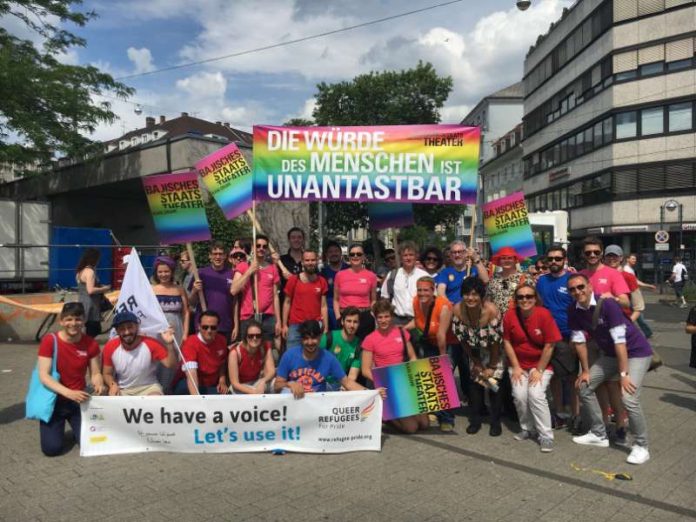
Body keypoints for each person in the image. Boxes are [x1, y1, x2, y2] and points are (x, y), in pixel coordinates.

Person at [568, 274, 653, 465]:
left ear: (590, 286)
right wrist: (586, 370)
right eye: (572, 289)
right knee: (584, 386)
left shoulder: (607, 304)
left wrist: (624, 375)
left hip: (636, 352)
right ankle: (599, 433)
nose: (577, 292)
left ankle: (641, 445)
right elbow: (579, 342)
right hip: (611, 354)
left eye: (580, 287)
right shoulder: (573, 310)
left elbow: (620, 342)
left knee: (629, 396)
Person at [36, 302, 104, 456]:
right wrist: (68, 392)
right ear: (61, 321)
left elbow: (95, 373)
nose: (73, 323)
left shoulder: (90, 343)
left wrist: (98, 382)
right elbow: (44, 375)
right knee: (52, 449)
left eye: (78, 319)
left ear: (84, 320)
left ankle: (77, 428)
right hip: (53, 402)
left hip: (78, 401)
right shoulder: (49, 340)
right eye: (69, 319)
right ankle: (57, 428)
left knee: (91, 444)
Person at [503, 283, 561, 453]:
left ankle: (546, 435)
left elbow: (550, 344)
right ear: (516, 299)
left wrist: (539, 369)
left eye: (529, 296)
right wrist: (515, 367)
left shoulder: (544, 314)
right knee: (520, 396)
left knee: (535, 395)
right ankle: (528, 428)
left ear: (535, 298)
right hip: (519, 364)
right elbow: (506, 341)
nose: (525, 300)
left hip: (541, 364)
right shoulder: (510, 315)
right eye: (520, 297)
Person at [361, 299, 429, 434]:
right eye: (380, 317)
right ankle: (386, 418)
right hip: (387, 386)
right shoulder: (370, 339)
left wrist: (414, 373)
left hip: (404, 382)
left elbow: (413, 357)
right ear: (375, 317)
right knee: (412, 428)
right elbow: (365, 370)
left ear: (392, 316)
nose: (383, 320)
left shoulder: (402, 333)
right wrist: (381, 381)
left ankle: (396, 413)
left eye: (386, 316)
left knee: (424, 424)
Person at [535, 245, 580, 432]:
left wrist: (575, 336)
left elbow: (579, 308)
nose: (554, 262)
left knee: (572, 377)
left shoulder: (572, 279)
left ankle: (576, 415)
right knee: (554, 377)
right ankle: (560, 413)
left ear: (564, 260)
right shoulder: (541, 281)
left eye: (558, 259)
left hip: (568, 335)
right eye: (551, 259)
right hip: (548, 337)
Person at [452, 277, 503, 436]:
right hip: (474, 349)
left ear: (481, 296)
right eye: (467, 294)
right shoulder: (458, 310)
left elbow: (496, 342)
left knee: (493, 384)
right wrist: (477, 363)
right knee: (475, 383)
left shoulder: (491, 311)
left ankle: (496, 422)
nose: (470, 298)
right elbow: (462, 340)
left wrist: (492, 366)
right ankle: (475, 420)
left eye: (475, 294)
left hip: (494, 350)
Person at [274, 320, 373, 396]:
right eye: (306, 338)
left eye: (313, 338)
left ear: (320, 337)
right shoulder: (289, 355)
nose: (310, 342)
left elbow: (347, 383)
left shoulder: (328, 358)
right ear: (301, 340)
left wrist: (371, 393)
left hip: (319, 401)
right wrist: (290, 384)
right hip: (296, 399)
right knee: (285, 392)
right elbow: (277, 385)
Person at [409, 276, 457, 431]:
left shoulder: (444, 306)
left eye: (426, 290)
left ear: (433, 290)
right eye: (419, 290)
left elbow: (441, 335)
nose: (422, 293)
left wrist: (443, 359)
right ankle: (435, 410)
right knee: (429, 378)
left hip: (445, 344)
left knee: (443, 377)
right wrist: (400, 330)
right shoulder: (416, 301)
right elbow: (417, 322)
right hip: (428, 341)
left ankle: (447, 419)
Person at [102, 312, 177, 396]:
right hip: (123, 389)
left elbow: (171, 365)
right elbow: (107, 373)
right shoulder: (110, 346)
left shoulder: (150, 343)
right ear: (117, 331)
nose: (127, 332)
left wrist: (169, 344)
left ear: (137, 327)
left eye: (130, 327)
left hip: (149, 388)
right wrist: (112, 384)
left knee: (155, 399)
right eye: (122, 329)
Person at [231, 234, 281, 346]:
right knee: (249, 353)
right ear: (253, 247)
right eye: (258, 246)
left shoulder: (272, 268)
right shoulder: (243, 266)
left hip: (268, 317)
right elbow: (233, 290)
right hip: (249, 316)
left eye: (264, 246)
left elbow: (275, 296)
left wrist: (278, 321)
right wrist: (249, 271)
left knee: (267, 351)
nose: (261, 249)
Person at [152, 256, 189, 392]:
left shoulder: (179, 289)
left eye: (166, 271)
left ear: (172, 272)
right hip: (157, 332)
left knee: (175, 360)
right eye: (160, 272)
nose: (163, 274)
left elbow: (185, 312)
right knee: (158, 360)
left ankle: (170, 390)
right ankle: (157, 389)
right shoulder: (152, 290)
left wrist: (185, 334)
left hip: (176, 330)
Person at [190, 241, 236, 343]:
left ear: (225, 256)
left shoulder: (232, 274)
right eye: (215, 254)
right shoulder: (201, 273)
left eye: (221, 254)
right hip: (205, 326)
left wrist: (236, 325)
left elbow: (235, 302)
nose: (218, 257)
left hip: (225, 325)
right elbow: (191, 303)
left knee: (222, 357)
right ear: (210, 256)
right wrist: (194, 290)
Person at [174, 311, 229, 395]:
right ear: (199, 327)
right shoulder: (191, 343)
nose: (209, 330)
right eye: (205, 327)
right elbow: (191, 372)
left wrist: (222, 380)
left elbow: (222, 363)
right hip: (191, 383)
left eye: (213, 327)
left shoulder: (222, 340)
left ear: (218, 328)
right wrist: (197, 400)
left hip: (211, 385)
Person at [604, 245, 652, 339]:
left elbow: (638, 306)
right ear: (604, 258)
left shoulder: (628, 277)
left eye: (615, 256)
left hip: (621, 322)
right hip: (602, 324)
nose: (612, 259)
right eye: (609, 256)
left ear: (621, 258)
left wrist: (628, 323)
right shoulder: (599, 275)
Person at [283, 250, 329, 347]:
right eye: (307, 260)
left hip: (315, 325)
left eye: (313, 260)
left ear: (316, 261)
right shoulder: (293, 280)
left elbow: (323, 306)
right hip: (296, 326)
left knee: (314, 358)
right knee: (293, 357)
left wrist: (326, 327)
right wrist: (284, 325)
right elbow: (287, 303)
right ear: (302, 262)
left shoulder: (322, 281)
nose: (310, 263)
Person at [334, 244, 378, 340]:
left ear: (363, 257)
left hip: (364, 317)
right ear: (348, 257)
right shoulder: (340, 275)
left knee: (364, 349)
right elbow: (336, 299)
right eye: (352, 254)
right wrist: (338, 317)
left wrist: (372, 314)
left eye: (358, 254)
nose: (355, 256)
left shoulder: (371, 276)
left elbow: (373, 299)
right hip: (345, 317)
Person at [380, 241, 429, 326]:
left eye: (411, 255)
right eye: (405, 255)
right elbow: (385, 298)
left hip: (418, 321)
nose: (408, 258)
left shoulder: (424, 276)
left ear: (416, 256)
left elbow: (432, 300)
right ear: (400, 257)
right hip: (396, 321)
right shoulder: (392, 275)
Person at [580, 237, 630, 309]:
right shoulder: (579, 275)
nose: (592, 255)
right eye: (588, 253)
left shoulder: (614, 274)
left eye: (596, 252)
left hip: (606, 318)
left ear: (602, 253)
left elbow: (626, 303)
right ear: (583, 254)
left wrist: (613, 298)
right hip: (584, 318)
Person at [319, 306, 362, 389]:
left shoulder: (358, 345)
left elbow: (352, 376)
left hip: (340, 385)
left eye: (355, 322)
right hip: (321, 382)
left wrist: (344, 389)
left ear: (359, 324)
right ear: (342, 322)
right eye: (349, 321)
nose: (352, 325)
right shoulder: (328, 338)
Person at [228, 320, 276, 394]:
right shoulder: (235, 353)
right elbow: (235, 383)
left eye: (258, 336)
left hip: (257, 382)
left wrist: (263, 380)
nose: (254, 338)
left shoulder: (265, 347)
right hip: (241, 386)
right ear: (246, 337)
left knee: (275, 383)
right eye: (251, 336)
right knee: (234, 390)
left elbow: (271, 371)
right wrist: (254, 392)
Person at [75, 247, 110, 337]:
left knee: (87, 327)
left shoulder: (80, 271)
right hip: (91, 304)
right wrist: (105, 289)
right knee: (94, 329)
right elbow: (90, 290)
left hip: (82, 302)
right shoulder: (90, 272)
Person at [486, 246, 529, 314]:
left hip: (518, 320)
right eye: (503, 258)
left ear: (515, 260)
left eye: (510, 258)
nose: (507, 260)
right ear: (499, 261)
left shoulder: (526, 278)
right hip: (497, 321)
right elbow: (488, 301)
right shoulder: (494, 279)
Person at [320, 240, 348, 330]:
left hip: (347, 309)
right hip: (330, 311)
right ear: (327, 255)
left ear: (341, 253)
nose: (334, 254)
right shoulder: (323, 273)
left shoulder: (349, 269)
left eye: (336, 251)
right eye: (330, 252)